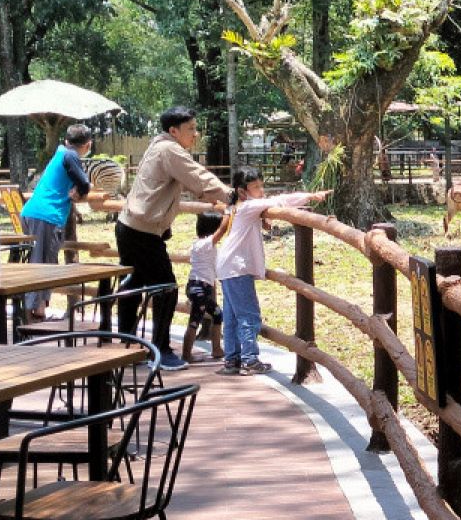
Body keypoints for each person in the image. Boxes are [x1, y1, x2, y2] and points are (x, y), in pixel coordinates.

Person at [117, 107, 231, 372]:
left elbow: (185, 185)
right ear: (174, 131)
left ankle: (127, 343)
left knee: (135, 283)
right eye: (190, 128)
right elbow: (197, 177)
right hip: (141, 231)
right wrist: (231, 196)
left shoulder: (159, 146)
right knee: (166, 288)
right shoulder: (170, 150)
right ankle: (161, 350)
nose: (196, 133)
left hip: (130, 226)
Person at [216, 168, 330, 376]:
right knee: (249, 315)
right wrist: (311, 196)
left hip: (227, 266)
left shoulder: (237, 206)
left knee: (232, 316)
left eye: (262, 185)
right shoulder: (250, 206)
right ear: (243, 192)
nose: (261, 191)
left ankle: (232, 360)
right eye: (256, 187)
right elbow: (282, 201)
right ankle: (250, 359)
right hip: (237, 267)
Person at [20, 123, 94, 321]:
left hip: (33, 212)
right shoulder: (71, 156)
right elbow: (85, 184)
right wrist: (81, 192)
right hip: (47, 216)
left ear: (66, 140)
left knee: (42, 260)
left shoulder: (61, 152)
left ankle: (37, 310)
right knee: (43, 263)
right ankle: (34, 314)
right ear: (88, 145)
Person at [180, 211, 225, 364]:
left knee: (217, 314)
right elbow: (223, 230)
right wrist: (230, 214)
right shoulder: (207, 244)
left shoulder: (198, 244)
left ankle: (216, 349)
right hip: (200, 288)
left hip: (197, 286)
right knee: (195, 320)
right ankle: (186, 354)